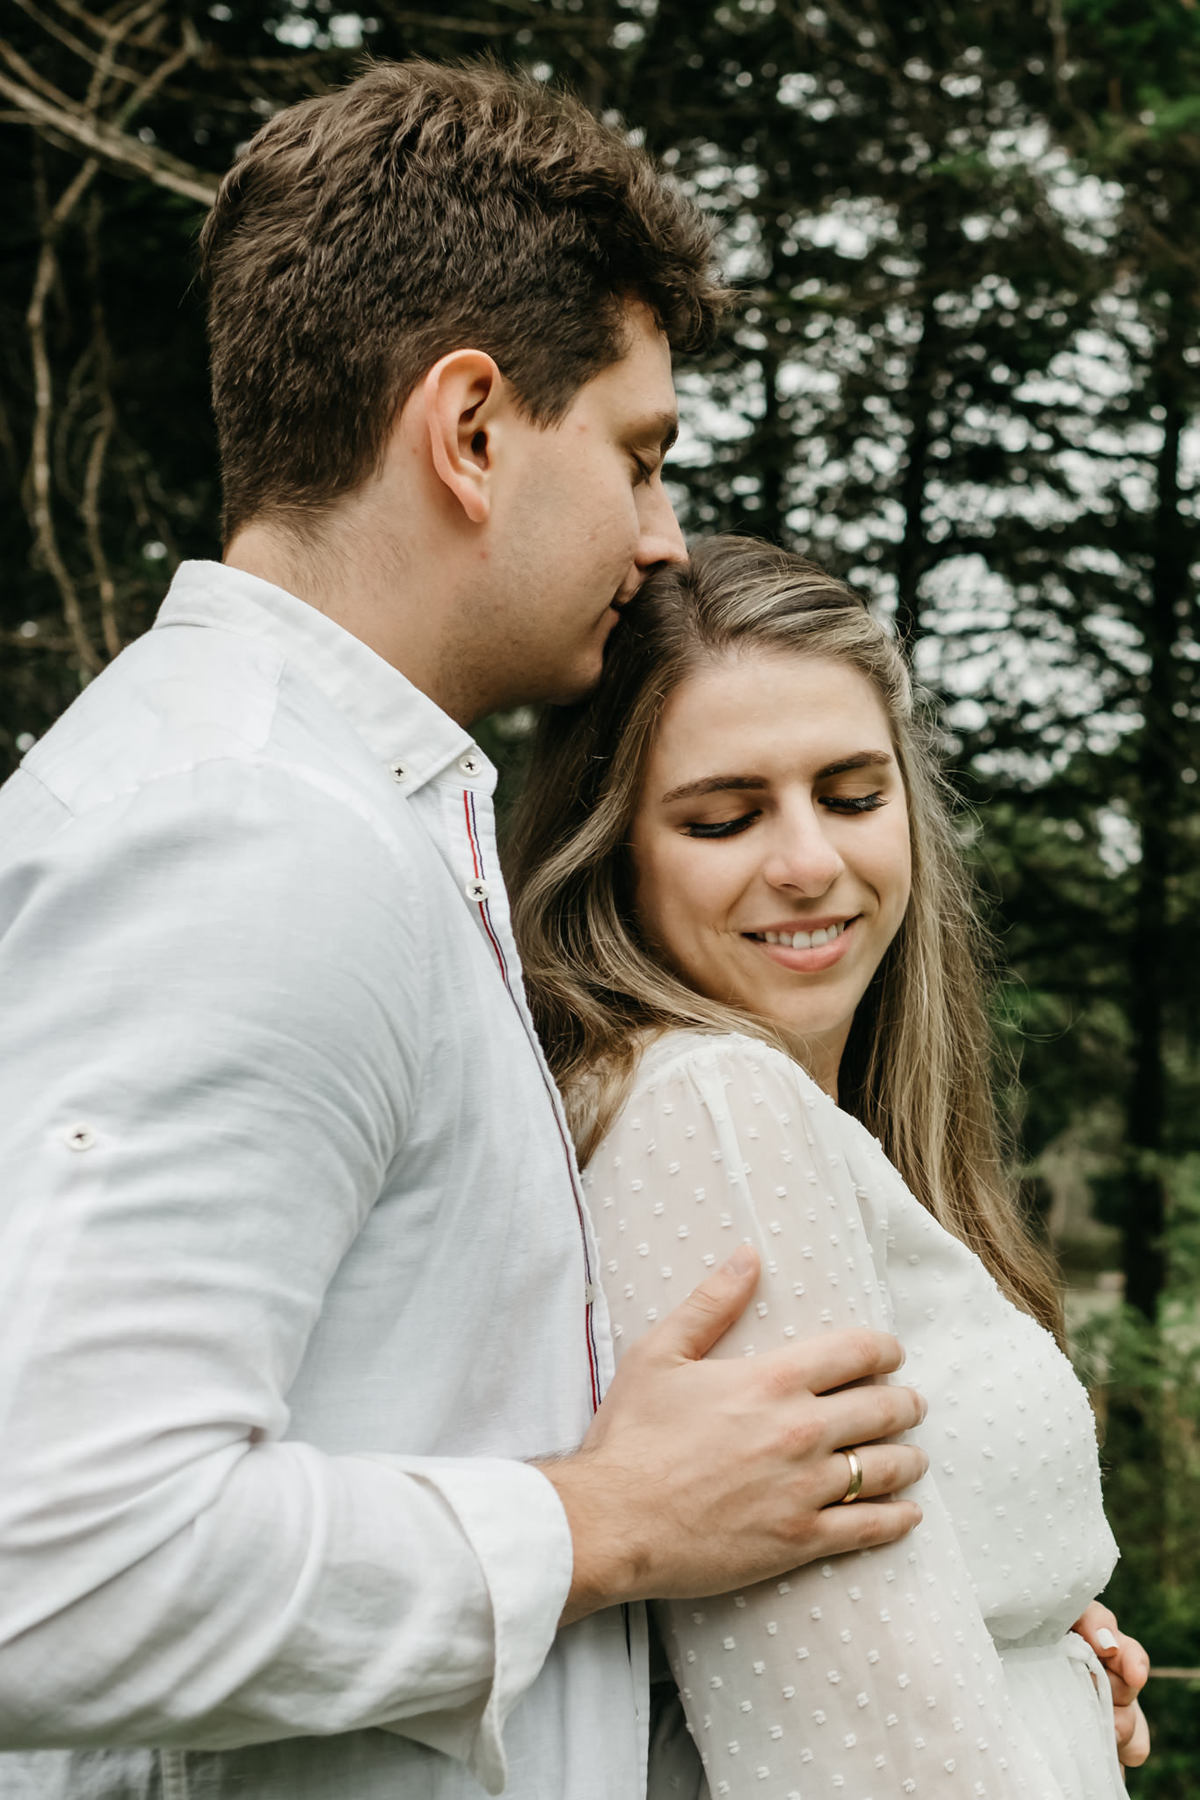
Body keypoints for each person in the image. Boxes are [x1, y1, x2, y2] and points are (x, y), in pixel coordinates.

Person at [0, 62, 933, 1800]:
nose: (663, 542)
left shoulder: (349, 814)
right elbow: (46, 1574)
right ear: (472, 429)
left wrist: (980, 1648)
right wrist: (600, 1521)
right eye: (641, 458)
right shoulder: (248, 836)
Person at [508, 535, 1151, 1799]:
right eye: (726, 816)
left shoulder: (815, 1126)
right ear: (612, 842)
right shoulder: (709, 1105)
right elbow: (854, 1754)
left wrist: (1037, 1644)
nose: (809, 861)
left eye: (855, 796)